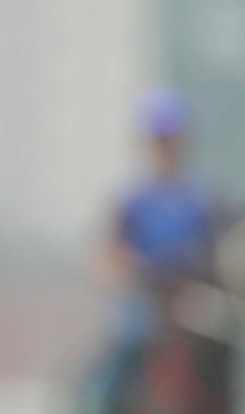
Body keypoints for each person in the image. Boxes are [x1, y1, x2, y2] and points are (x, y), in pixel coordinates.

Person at [81, 86, 219, 413]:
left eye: (171, 139)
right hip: (140, 319)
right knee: (106, 389)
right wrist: (132, 274)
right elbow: (105, 261)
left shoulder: (202, 198)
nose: (165, 148)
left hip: (191, 314)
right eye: (159, 140)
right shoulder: (131, 198)